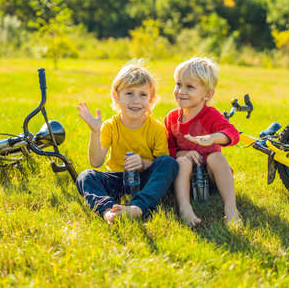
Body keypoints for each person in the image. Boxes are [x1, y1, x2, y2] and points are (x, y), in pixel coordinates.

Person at [76, 61, 178, 224]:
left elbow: (161, 166)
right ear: (116, 97)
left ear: (151, 99)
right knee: (86, 176)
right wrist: (95, 132)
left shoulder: (156, 129)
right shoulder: (110, 126)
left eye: (143, 95)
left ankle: (137, 208)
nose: (136, 101)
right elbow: (96, 162)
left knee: (169, 163)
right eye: (129, 93)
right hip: (118, 180)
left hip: (145, 180)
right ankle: (108, 211)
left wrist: (143, 163)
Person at [164, 57, 241, 227]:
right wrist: (182, 153)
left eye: (189, 86)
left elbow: (233, 133)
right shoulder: (171, 118)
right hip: (185, 181)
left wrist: (214, 138)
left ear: (207, 94)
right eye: (178, 84)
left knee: (217, 158)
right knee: (182, 161)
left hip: (213, 180)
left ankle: (231, 208)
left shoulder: (210, 115)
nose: (181, 91)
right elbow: (167, 149)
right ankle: (185, 207)